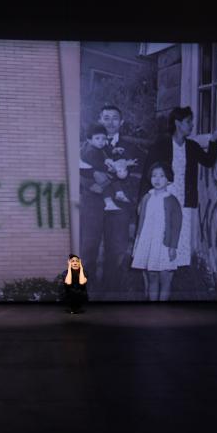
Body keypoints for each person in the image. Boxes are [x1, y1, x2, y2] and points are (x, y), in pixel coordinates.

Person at [139, 106, 217, 276]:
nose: (192, 125)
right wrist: (142, 201)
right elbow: (147, 173)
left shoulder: (192, 146)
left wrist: (214, 140)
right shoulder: (161, 144)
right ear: (178, 123)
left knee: (176, 243)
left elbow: (208, 161)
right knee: (158, 239)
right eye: (188, 122)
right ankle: (154, 285)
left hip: (183, 203)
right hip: (161, 201)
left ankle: (168, 283)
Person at [80, 105, 142, 295]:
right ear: (100, 120)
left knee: (116, 252)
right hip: (93, 203)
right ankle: (86, 293)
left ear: (121, 122)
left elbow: (137, 174)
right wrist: (90, 184)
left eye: (115, 118)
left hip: (119, 204)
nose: (110, 122)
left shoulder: (131, 147)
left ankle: (111, 295)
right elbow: (78, 169)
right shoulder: (87, 145)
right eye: (106, 118)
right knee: (88, 249)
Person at [131, 161, 182, 301]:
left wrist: (173, 246)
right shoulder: (147, 198)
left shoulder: (172, 200)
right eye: (154, 176)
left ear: (168, 180)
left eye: (162, 176)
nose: (157, 179)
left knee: (164, 277)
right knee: (152, 275)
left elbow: (176, 226)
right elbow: (141, 222)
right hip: (148, 240)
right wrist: (138, 241)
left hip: (163, 243)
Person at [80, 124, 137, 212]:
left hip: (98, 168)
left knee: (112, 176)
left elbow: (106, 150)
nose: (101, 141)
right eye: (97, 138)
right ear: (90, 140)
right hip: (89, 173)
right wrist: (108, 168)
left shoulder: (100, 146)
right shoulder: (90, 151)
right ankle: (109, 202)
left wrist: (114, 151)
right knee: (106, 179)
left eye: (103, 138)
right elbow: (97, 164)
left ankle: (119, 193)